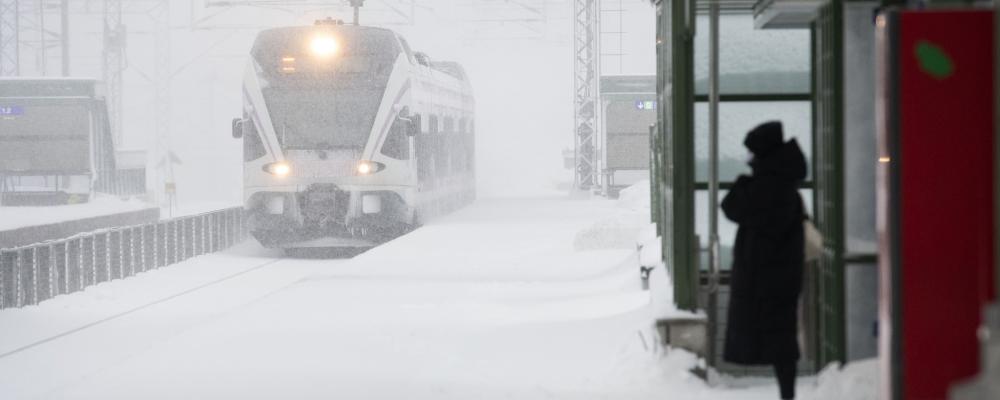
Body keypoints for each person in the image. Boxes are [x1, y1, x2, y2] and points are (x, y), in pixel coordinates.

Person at [721, 121, 806, 400]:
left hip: (766, 278)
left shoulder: (768, 187)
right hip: (779, 277)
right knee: (782, 338)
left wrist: (744, 181)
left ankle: (788, 394)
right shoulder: (784, 185)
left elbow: (732, 206)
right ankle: (787, 393)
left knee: (778, 340)